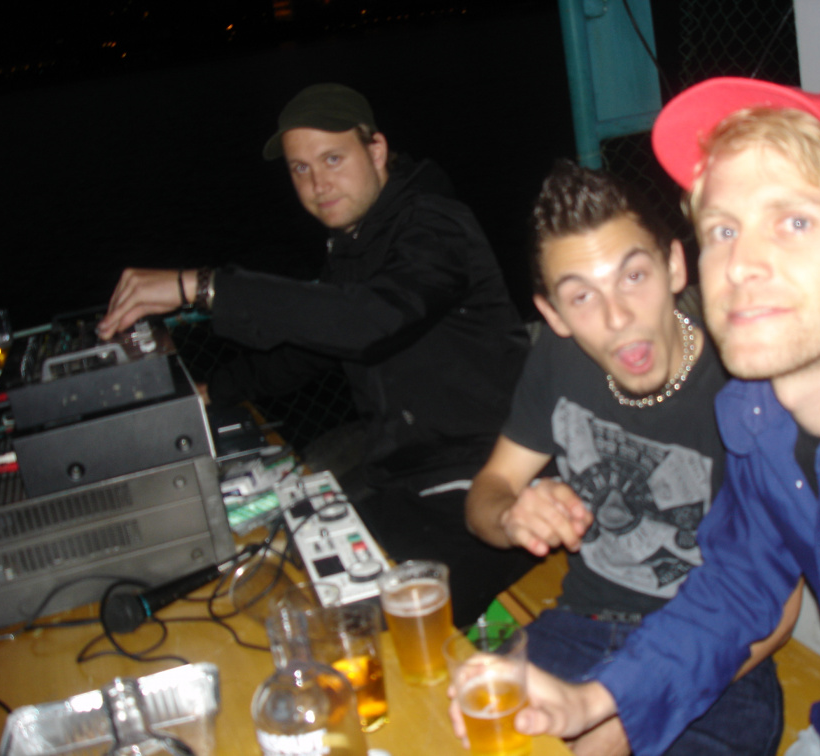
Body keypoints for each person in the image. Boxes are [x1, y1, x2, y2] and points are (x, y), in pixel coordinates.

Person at [454, 77, 820, 755]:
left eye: (794, 222)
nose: (741, 264)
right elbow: (738, 591)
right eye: (724, 230)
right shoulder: (759, 416)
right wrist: (596, 702)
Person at [98, 83, 534, 625]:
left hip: (490, 477)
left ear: (376, 150)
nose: (318, 184)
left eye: (333, 159)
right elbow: (313, 347)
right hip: (407, 479)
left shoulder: (434, 225)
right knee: (268, 564)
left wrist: (204, 286)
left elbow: (367, 321)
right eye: (300, 169)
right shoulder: (357, 241)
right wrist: (214, 392)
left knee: (349, 621)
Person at [464, 159, 799, 755]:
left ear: (675, 266)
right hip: (580, 628)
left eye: (634, 276)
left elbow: (778, 610)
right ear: (552, 314)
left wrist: (625, 722)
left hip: (716, 663)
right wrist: (511, 516)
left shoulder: (745, 377)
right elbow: (489, 490)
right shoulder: (559, 359)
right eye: (581, 296)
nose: (616, 317)